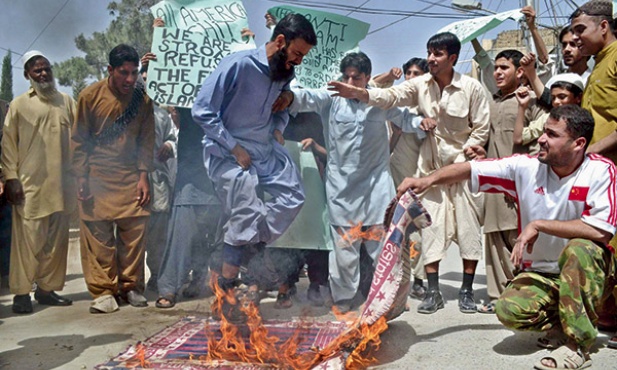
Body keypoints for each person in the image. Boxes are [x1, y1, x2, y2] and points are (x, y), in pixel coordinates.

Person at [398, 104, 616, 370]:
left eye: (552, 134)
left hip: (591, 272)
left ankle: (576, 346)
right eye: (543, 131)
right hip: (544, 274)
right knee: (509, 310)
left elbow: (601, 230)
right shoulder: (526, 166)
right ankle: (563, 322)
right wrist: (427, 181)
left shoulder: (601, 170)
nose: (541, 138)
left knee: (580, 249)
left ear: (578, 143)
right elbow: (469, 168)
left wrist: (539, 225)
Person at [328, 32, 490, 315]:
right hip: (430, 171)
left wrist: (473, 149)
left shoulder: (472, 88)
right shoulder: (419, 85)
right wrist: (362, 93)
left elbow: (481, 126)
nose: (431, 58)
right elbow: (391, 96)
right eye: (429, 52)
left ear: (452, 58)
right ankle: (433, 291)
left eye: (437, 54)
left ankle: (466, 291)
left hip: (463, 168)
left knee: (468, 231)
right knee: (432, 230)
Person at [190, 13, 316, 320]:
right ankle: (228, 290)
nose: (298, 61)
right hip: (228, 152)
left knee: (294, 197)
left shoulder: (285, 72)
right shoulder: (238, 64)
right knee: (246, 208)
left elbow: (280, 109)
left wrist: (279, 125)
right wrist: (233, 147)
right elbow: (202, 110)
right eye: (297, 53)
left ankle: (242, 246)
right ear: (280, 41)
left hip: (265, 149)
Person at [289, 51, 429, 312]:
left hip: (376, 183)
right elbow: (305, 97)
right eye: (347, 77)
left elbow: (404, 119)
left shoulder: (378, 99)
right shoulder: (332, 97)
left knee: (381, 243)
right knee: (345, 246)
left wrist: (424, 122)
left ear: (367, 78)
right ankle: (343, 299)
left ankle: (389, 297)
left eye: (356, 78)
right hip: (341, 186)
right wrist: (287, 89)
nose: (350, 83)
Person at [72, 44, 154, 314]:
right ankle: (104, 290)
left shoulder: (142, 100)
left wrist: (143, 175)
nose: (130, 79)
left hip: (131, 175)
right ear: (109, 70)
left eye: (134, 72)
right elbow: (79, 140)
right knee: (99, 235)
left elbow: (146, 140)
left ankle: (131, 287)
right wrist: (81, 176)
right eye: (123, 73)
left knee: (133, 234)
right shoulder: (89, 96)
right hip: (97, 174)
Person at [468, 49, 545, 314]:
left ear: (520, 72)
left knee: (518, 237)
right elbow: (488, 139)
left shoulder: (532, 102)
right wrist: (480, 150)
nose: (498, 72)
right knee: (494, 237)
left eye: (504, 68)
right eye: (496, 68)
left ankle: (528, 296)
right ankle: (498, 296)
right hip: (493, 180)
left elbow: (540, 141)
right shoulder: (490, 102)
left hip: (520, 182)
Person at [0, 50, 76, 314]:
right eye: (37, 70)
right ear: (27, 76)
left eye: (46, 68)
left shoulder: (66, 101)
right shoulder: (19, 105)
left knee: (55, 244)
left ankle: (46, 290)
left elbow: (77, 140)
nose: (43, 73)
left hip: (63, 186)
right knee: (27, 244)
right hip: (30, 185)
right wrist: (10, 177)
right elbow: (8, 144)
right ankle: (21, 294)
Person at [569, 0, 617, 348]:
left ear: (603, 26)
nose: (576, 37)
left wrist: (592, 150)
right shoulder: (597, 67)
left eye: (581, 30)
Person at [139, 66, 177, 292]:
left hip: (158, 181)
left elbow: (173, 137)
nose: (145, 84)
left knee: (158, 234)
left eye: (149, 80)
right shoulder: (128, 112)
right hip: (133, 181)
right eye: (142, 80)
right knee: (132, 230)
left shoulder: (162, 114)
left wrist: (169, 145)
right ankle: (131, 280)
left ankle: (155, 274)